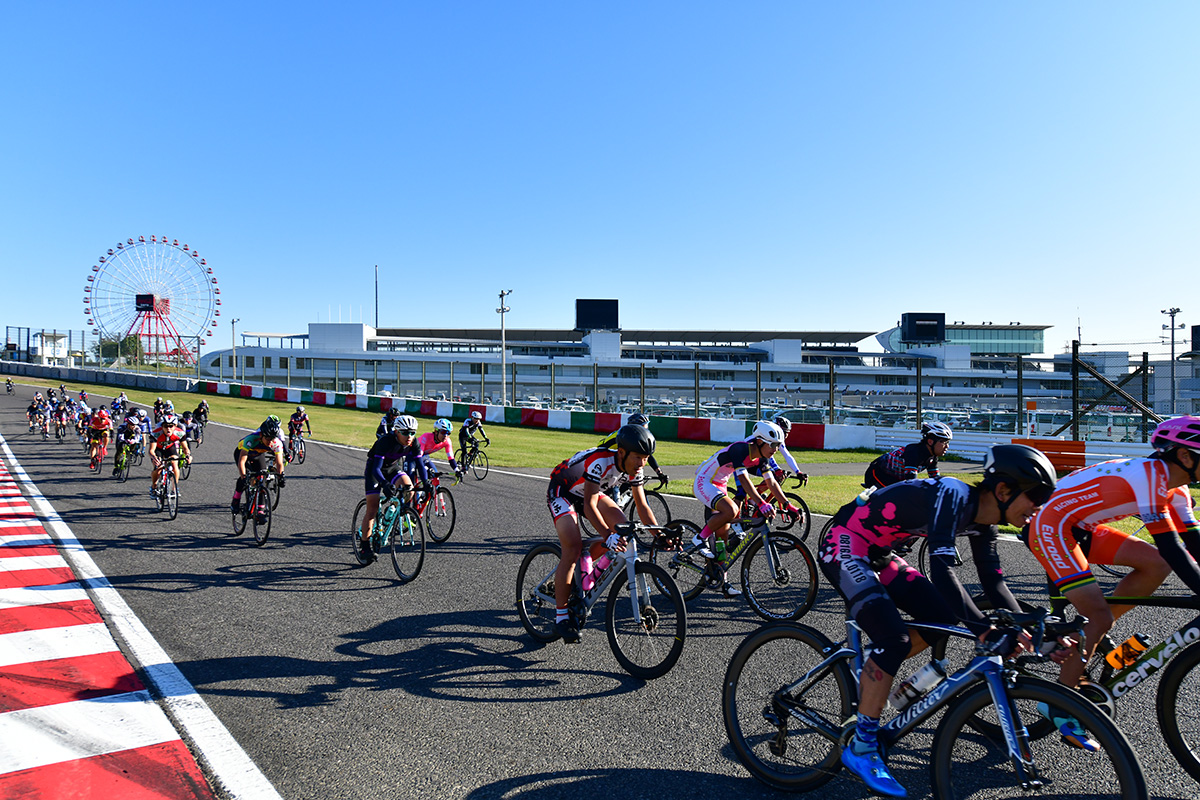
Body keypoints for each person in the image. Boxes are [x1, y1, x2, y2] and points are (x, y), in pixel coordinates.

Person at [820, 444, 1057, 797]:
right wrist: (985, 630)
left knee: (940, 619)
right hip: (845, 542)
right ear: (1004, 491)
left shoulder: (984, 523)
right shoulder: (953, 493)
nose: (1037, 509)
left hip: (879, 552)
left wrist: (1031, 626)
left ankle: (877, 668)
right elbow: (943, 571)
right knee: (894, 639)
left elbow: (994, 584)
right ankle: (862, 747)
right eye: (1035, 499)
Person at [1024, 415, 1200, 736]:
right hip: (1049, 525)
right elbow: (1172, 545)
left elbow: (1193, 545)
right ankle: (1057, 704)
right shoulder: (1151, 477)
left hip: (1083, 528)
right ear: (1186, 456)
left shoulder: (1178, 491)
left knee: (1157, 564)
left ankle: (1093, 633)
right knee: (1100, 615)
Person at [545, 425, 658, 643]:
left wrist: (659, 534)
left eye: (645, 458)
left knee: (623, 529)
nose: (642, 463)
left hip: (591, 493)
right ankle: (561, 618)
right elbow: (588, 506)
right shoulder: (601, 461)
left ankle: (586, 557)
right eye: (637, 457)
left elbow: (642, 506)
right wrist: (607, 535)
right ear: (622, 452)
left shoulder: (636, 469)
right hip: (564, 491)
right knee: (572, 547)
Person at [691, 420, 798, 597]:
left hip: (720, 485)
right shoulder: (740, 449)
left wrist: (789, 505)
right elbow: (744, 481)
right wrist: (762, 503)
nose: (776, 449)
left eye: (778, 445)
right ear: (759, 441)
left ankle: (722, 581)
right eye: (773, 445)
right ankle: (699, 538)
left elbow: (771, 482)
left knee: (722, 539)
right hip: (705, 481)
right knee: (732, 510)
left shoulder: (762, 458)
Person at [356, 414, 423, 563]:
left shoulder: (413, 443)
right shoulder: (385, 441)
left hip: (392, 468)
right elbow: (376, 469)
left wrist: (427, 483)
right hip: (375, 471)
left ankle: (392, 510)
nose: (409, 436)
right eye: (405, 433)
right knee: (372, 509)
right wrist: (385, 485)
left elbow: (419, 464)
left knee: (409, 489)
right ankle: (364, 546)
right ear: (397, 432)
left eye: (413, 433)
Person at [864, 421, 953, 489]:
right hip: (877, 474)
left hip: (895, 478)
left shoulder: (932, 457)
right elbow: (911, 483)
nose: (947, 446)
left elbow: (935, 480)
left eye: (947, 442)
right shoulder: (914, 452)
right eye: (943, 442)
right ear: (930, 442)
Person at [231, 417, 287, 515]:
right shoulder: (251, 439)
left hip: (257, 455)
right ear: (262, 435)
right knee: (246, 476)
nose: (270, 442)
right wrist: (243, 476)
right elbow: (242, 461)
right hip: (243, 454)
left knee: (262, 478)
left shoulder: (276, 443)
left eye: (272, 438)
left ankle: (260, 509)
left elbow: (279, 463)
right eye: (268, 439)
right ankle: (236, 499)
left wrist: (281, 476)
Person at [597, 413, 668, 483]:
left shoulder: (634, 436)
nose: (645, 432)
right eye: (643, 428)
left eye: (646, 428)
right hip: (603, 455)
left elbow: (647, 454)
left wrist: (659, 472)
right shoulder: (626, 436)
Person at [148, 414, 190, 496]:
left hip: (170, 449)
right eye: (165, 426)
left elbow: (185, 448)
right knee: (158, 467)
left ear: (175, 426)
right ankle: (154, 486)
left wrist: (188, 455)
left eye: (171, 426)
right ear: (162, 426)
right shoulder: (156, 433)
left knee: (175, 464)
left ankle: (174, 489)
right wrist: (154, 458)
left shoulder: (180, 433)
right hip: (158, 449)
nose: (168, 429)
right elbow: (151, 450)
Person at [770, 414, 809, 484]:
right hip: (748, 460)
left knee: (775, 476)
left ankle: (759, 494)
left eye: (787, 432)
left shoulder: (779, 440)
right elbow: (768, 456)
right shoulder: (768, 437)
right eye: (783, 432)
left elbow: (787, 455)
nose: (786, 436)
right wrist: (776, 468)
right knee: (771, 475)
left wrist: (798, 471)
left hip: (759, 461)